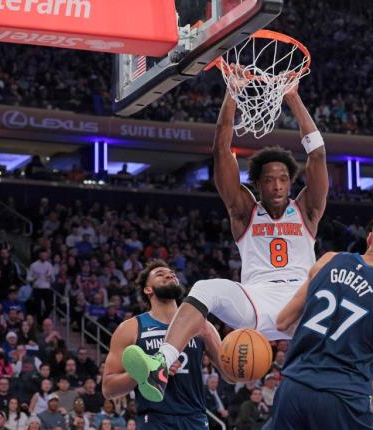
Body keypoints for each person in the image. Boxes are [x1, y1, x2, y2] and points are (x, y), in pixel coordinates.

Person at [123, 78, 329, 401]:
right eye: (269, 180)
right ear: (258, 185)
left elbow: (317, 155)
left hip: (300, 302)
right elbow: (221, 150)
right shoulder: (245, 210)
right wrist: (232, 92)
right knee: (205, 288)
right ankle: (161, 364)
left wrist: (293, 98)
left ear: (291, 183)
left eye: (283, 180)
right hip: (256, 301)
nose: (277, 186)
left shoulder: (307, 209)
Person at [263, 212, 373, 429]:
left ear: (370, 238)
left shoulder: (328, 260)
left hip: (294, 386)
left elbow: (282, 322)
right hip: (343, 397)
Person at [102, 260, 223, 429]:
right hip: (155, 419)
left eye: (172, 273)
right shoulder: (131, 328)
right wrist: (147, 370)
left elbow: (230, 375)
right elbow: (108, 389)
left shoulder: (201, 325)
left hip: (195, 418)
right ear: (148, 289)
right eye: (160, 274)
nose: (169, 274)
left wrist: (209, 337)